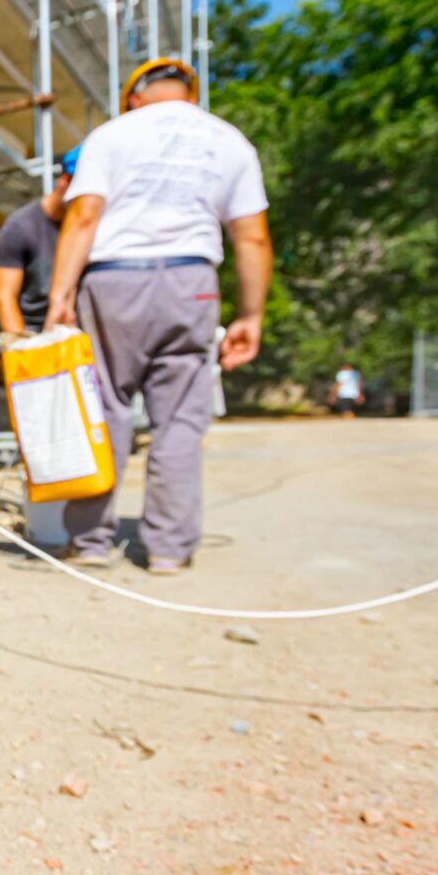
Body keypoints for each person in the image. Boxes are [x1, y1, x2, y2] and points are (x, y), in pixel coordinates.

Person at [43, 56, 274, 576]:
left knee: (104, 409)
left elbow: (83, 217)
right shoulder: (229, 141)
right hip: (191, 282)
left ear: (134, 97)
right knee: (179, 421)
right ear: (190, 96)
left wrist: (61, 295)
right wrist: (250, 315)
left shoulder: (113, 134)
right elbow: (252, 235)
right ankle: (168, 549)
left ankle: (92, 543)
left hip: (113, 280)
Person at [0, 146, 80, 338]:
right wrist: (23, 350)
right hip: (36, 336)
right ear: (65, 181)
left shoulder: (89, 225)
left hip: (78, 337)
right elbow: (5, 296)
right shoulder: (19, 227)